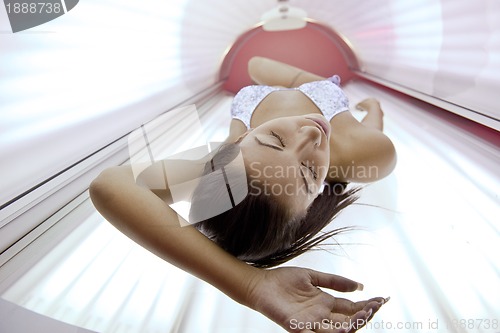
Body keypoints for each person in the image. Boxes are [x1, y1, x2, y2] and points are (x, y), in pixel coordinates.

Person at [89, 56, 396, 332]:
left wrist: (247, 284)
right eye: (309, 173)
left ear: (242, 137)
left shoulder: (228, 164)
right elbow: (372, 131)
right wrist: (372, 109)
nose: (312, 134)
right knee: (259, 66)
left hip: (255, 97)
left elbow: (108, 185)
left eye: (273, 140)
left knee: (255, 64)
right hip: (321, 93)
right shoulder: (371, 156)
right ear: (315, 200)